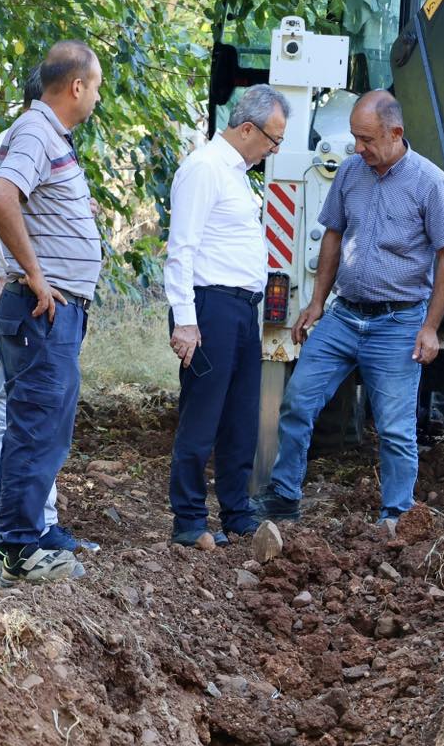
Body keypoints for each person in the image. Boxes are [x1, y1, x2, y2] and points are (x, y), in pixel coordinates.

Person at [254, 90, 444, 532]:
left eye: (366, 139)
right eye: (354, 137)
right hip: (344, 316)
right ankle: (285, 496)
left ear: (396, 133)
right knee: (297, 403)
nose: (358, 147)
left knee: (395, 429)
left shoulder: (430, 182)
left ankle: (396, 517)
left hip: (399, 321)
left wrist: (431, 328)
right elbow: (332, 236)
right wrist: (315, 302)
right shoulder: (350, 172)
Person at [0, 68, 95, 561]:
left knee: (39, 418)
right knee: (18, 417)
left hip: (37, 300)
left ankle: (36, 525)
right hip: (18, 300)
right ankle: (5, 534)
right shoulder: (23, 137)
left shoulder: (45, 140)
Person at [164, 84, 290, 549]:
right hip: (209, 306)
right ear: (245, 128)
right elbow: (182, 250)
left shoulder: (238, 173)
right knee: (203, 414)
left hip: (242, 309)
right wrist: (185, 320)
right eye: (272, 140)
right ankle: (190, 521)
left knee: (241, 416)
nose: (274, 150)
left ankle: (237, 513)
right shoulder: (204, 168)